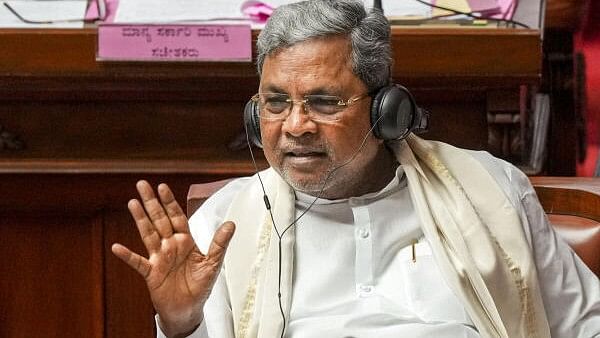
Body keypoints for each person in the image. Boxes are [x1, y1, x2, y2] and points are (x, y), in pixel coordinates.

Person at [111, 1, 600, 337]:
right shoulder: (224, 222)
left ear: (387, 111)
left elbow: (585, 325)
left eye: (323, 102)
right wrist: (181, 323)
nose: (295, 126)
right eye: (276, 103)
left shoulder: (490, 190)